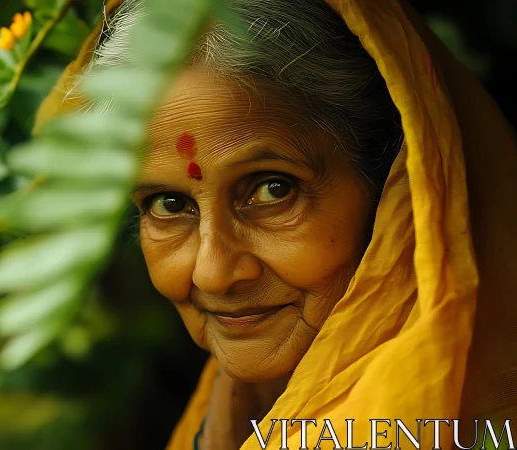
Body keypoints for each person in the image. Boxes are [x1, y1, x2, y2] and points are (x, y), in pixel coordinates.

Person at [35, 0, 517, 448]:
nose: (213, 273)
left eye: (272, 189)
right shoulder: (232, 415)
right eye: (168, 203)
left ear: (398, 186)